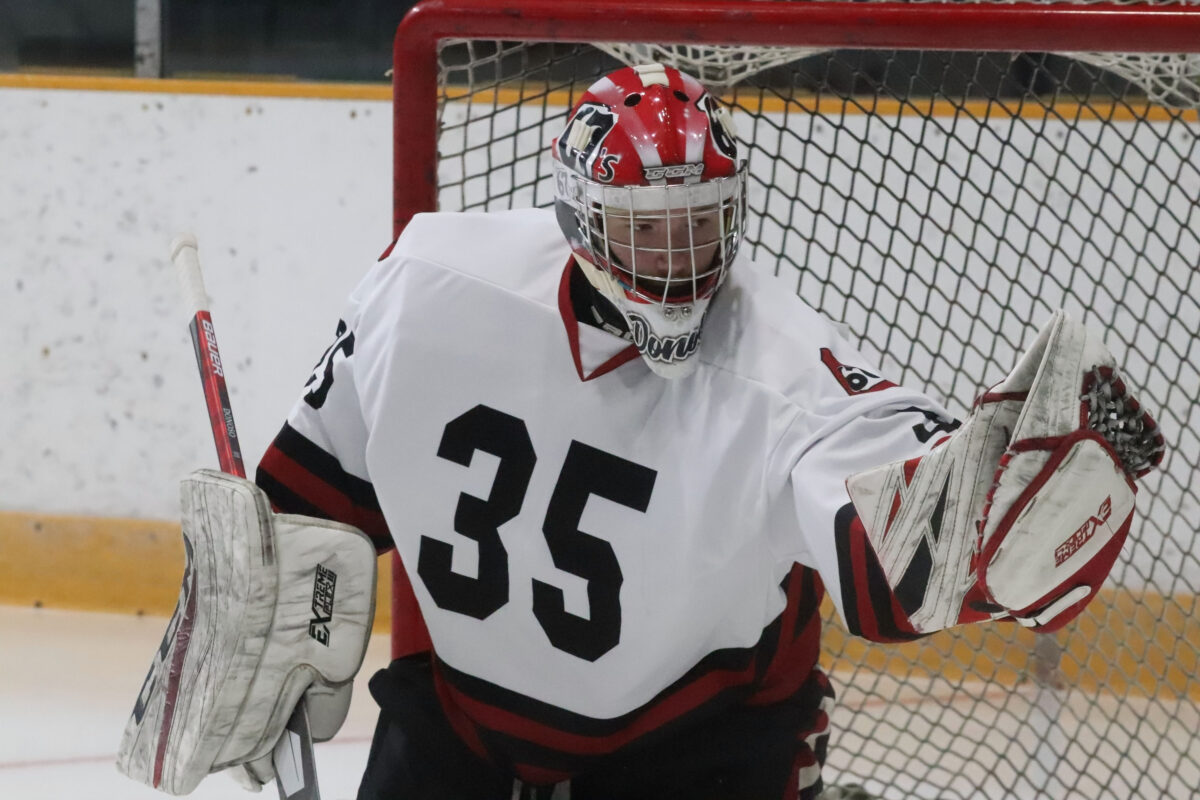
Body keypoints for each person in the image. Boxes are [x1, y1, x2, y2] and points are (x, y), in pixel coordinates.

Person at [124, 63, 1164, 800]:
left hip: (692, 755)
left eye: (699, 225)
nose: (677, 262)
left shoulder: (781, 367)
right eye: (646, 230)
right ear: (578, 217)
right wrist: (251, 604)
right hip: (459, 739)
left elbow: (889, 542)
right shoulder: (428, 286)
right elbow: (310, 495)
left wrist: (978, 526)